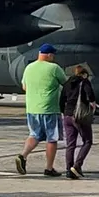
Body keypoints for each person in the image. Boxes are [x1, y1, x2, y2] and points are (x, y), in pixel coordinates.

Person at [14, 43, 67, 177]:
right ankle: (49, 168)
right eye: (53, 55)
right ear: (49, 55)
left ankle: (23, 155)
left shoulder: (29, 68)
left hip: (32, 108)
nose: (54, 57)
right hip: (49, 108)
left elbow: (24, 87)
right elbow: (65, 83)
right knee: (52, 138)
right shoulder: (54, 68)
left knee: (34, 135)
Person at [59, 65, 97, 179]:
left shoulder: (67, 83)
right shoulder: (84, 82)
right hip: (79, 116)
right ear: (84, 74)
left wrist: (64, 112)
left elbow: (61, 100)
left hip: (67, 115)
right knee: (87, 141)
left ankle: (68, 169)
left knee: (71, 144)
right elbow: (90, 95)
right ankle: (77, 166)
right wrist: (93, 104)